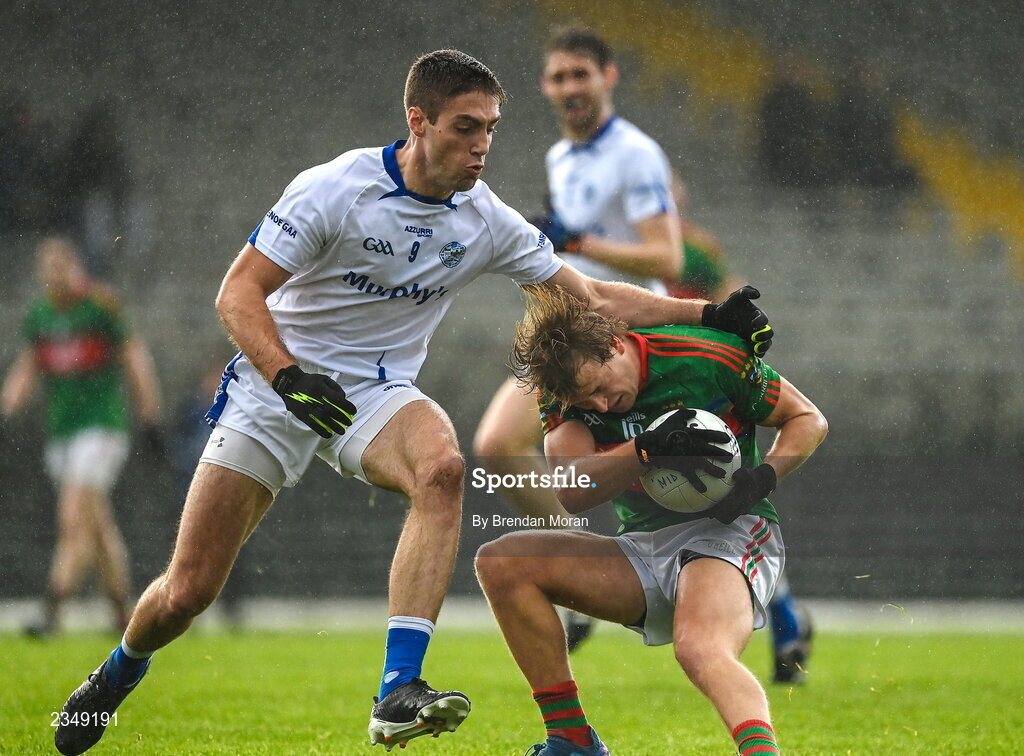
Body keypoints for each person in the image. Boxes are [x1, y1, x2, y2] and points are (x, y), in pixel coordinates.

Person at [52, 49, 773, 756]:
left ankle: (399, 688)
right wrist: (286, 377)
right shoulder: (335, 188)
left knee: (443, 468)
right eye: (466, 126)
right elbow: (237, 292)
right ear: (417, 121)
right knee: (186, 592)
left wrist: (710, 315)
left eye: (491, 127)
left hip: (376, 394)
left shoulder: (485, 218)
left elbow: (591, 297)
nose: (482, 144)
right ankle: (117, 672)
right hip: (277, 390)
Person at [475, 286, 827, 755]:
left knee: (699, 649)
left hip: (729, 533)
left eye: (600, 388)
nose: (599, 406)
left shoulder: (706, 356)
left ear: (617, 343)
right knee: (502, 562)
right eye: (586, 403)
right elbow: (571, 489)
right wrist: (645, 449)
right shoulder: (564, 394)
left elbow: (807, 418)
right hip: (642, 547)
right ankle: (572, 742)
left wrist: (763, 476)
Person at [472, 27, 682, 651]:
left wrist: (577, 243)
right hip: (577, 337)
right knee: (498, 446)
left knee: (697, 478)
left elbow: (665, 255)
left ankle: (774, 608)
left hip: (633, 338)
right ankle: (584, 568)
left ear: (608, 76)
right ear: (544, 86)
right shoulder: (560, 159)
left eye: (580, 75)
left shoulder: (636, 154)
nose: (569, 88)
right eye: (559, 77)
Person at [662, 174, 814, 684]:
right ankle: (783, 617)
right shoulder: (616, 244)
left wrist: (733, 353)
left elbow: (730, 294)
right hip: (653, 381)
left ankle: (782, 618)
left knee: (730, 502)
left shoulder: (691, 250)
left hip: (700, 380)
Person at [0, 236, 162, 637]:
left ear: (75, 267)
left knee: (73, 519)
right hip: (62, 433)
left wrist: (150, 416)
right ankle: (125, 614)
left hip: (101, 428)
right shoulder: (40, 315)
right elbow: (28, 367)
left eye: (60, 266)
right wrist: (7, 410)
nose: (53, 275)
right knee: (97, 527)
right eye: (47, 268)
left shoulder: (100, 306)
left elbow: (134, 357)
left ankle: (52, 611)